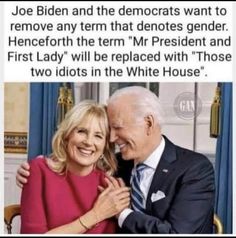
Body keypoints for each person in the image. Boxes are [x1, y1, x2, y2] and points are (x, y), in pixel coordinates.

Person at [17, 86, 215, 234]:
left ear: (148, 123)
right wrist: (35, 170)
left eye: (117, 128)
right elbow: (69, 168)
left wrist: (122, 214)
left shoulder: (194, 169)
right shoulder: (115, 167)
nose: (111, 139)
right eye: (109, 132)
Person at [19, 100, 130, 234]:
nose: (88, 142)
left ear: (105, 146)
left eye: (98, 136)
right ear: (67, 136)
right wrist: (96, 215)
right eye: (81, 131)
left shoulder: (110, 186)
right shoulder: (39, 171)